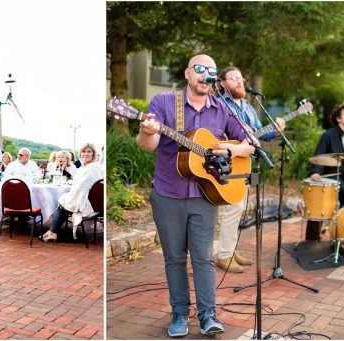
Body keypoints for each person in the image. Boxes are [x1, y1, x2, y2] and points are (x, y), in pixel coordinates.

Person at [137, 54, 255, 337]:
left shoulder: (223, 108)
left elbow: (250, 142)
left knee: (202, 258)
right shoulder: (165, 103)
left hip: (206, 194)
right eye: (200, 70)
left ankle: (208, 315)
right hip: (168, 194)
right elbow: (148, 145)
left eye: (211, 72)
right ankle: (179, 314)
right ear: (188, 73)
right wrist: (145, 130)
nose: (206, 76)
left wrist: (230, 151)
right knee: (175, 259)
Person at [213, 66, 284, 274]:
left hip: (245, 160)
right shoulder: (219, 104)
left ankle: (230, 250)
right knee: (231, 208)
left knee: (239, 207)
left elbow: (260, 134)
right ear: (223, 84)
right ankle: (224, 255)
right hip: (226, 160)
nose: (239, 81)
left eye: (240, 78)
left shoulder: (248, 106)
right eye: (233, 78)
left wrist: (277, 131)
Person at [41, 143, 105, 241]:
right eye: (83, 152)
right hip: (90, 200)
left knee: (62, 202)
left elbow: (81, 188)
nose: (86, 154)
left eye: (89, 152)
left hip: (87, 203)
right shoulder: (88, 167)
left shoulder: (91, 168)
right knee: (63, 202)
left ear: (93, 154)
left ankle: (53, 232)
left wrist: (69, 197)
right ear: (80, 154)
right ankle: (52, 232)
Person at [309, 103, 344, 206]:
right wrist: (316, 172)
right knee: (343, 189)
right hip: (331, 175)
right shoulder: (328, 135)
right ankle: (338, 211)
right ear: (338, 119)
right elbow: (319, 154)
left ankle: (341, 214)